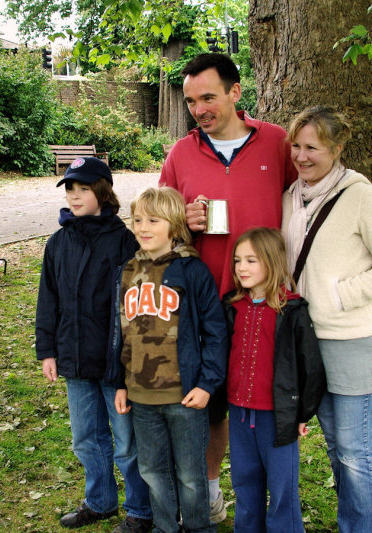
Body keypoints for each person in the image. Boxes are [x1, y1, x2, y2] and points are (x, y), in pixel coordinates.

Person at [159, 52, 297, 520]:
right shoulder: (180, 153)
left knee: (265, 404)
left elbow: (306, 200)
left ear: (236, 92)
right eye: (192, 100)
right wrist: (184, 222)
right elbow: (159, 227)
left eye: (209, 97)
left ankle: (276, 505)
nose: (199, 109)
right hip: (203, 303)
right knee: (211, 405)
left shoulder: (277, 142)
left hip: (265, 303)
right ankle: (211, 495)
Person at [35, 158, 153, 531]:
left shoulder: (125, 242)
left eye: (82, 189)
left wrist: (130, 360)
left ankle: (140, 511)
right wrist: (48, 350)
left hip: (114, 363)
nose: (74, 196)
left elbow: (138, 307)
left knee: (126, 443)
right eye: (69, 189)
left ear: (102, 191)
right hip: (73, 358)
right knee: (86, 438)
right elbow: (48, 299)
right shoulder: (58, 242)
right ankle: (100, 501)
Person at [114, 187, 227, 533]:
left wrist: (207, 384)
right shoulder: (128, 271)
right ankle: (165, 527)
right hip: (141, 396)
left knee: (191, 474)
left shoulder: (192, 272)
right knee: (153, 471)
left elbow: (216, 333)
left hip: (185, 396)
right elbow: (120, 331)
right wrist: (119, 382)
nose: (143, 227)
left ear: (175, 226)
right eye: (137, 220)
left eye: (153, 220)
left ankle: (198, 528)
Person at [282, 105, 372, 533]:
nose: (301, 156)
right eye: (296, 146)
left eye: (312, 147)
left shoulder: (359, 194)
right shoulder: (289, 197)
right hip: (306, 340)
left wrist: (342, 294)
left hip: (351, 339)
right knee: (336, 445)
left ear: (337, 148)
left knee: (355, 452)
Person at [223, 227, 325, 533]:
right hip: (239, 413)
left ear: (272, 262)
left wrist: (302, 413)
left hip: (277, 417)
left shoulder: (292, 309)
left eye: (251, 260)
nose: (241, 267)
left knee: (281, 488)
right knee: (244, 480)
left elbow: (311, 366)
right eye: (238, 260)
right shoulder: (232, 307)